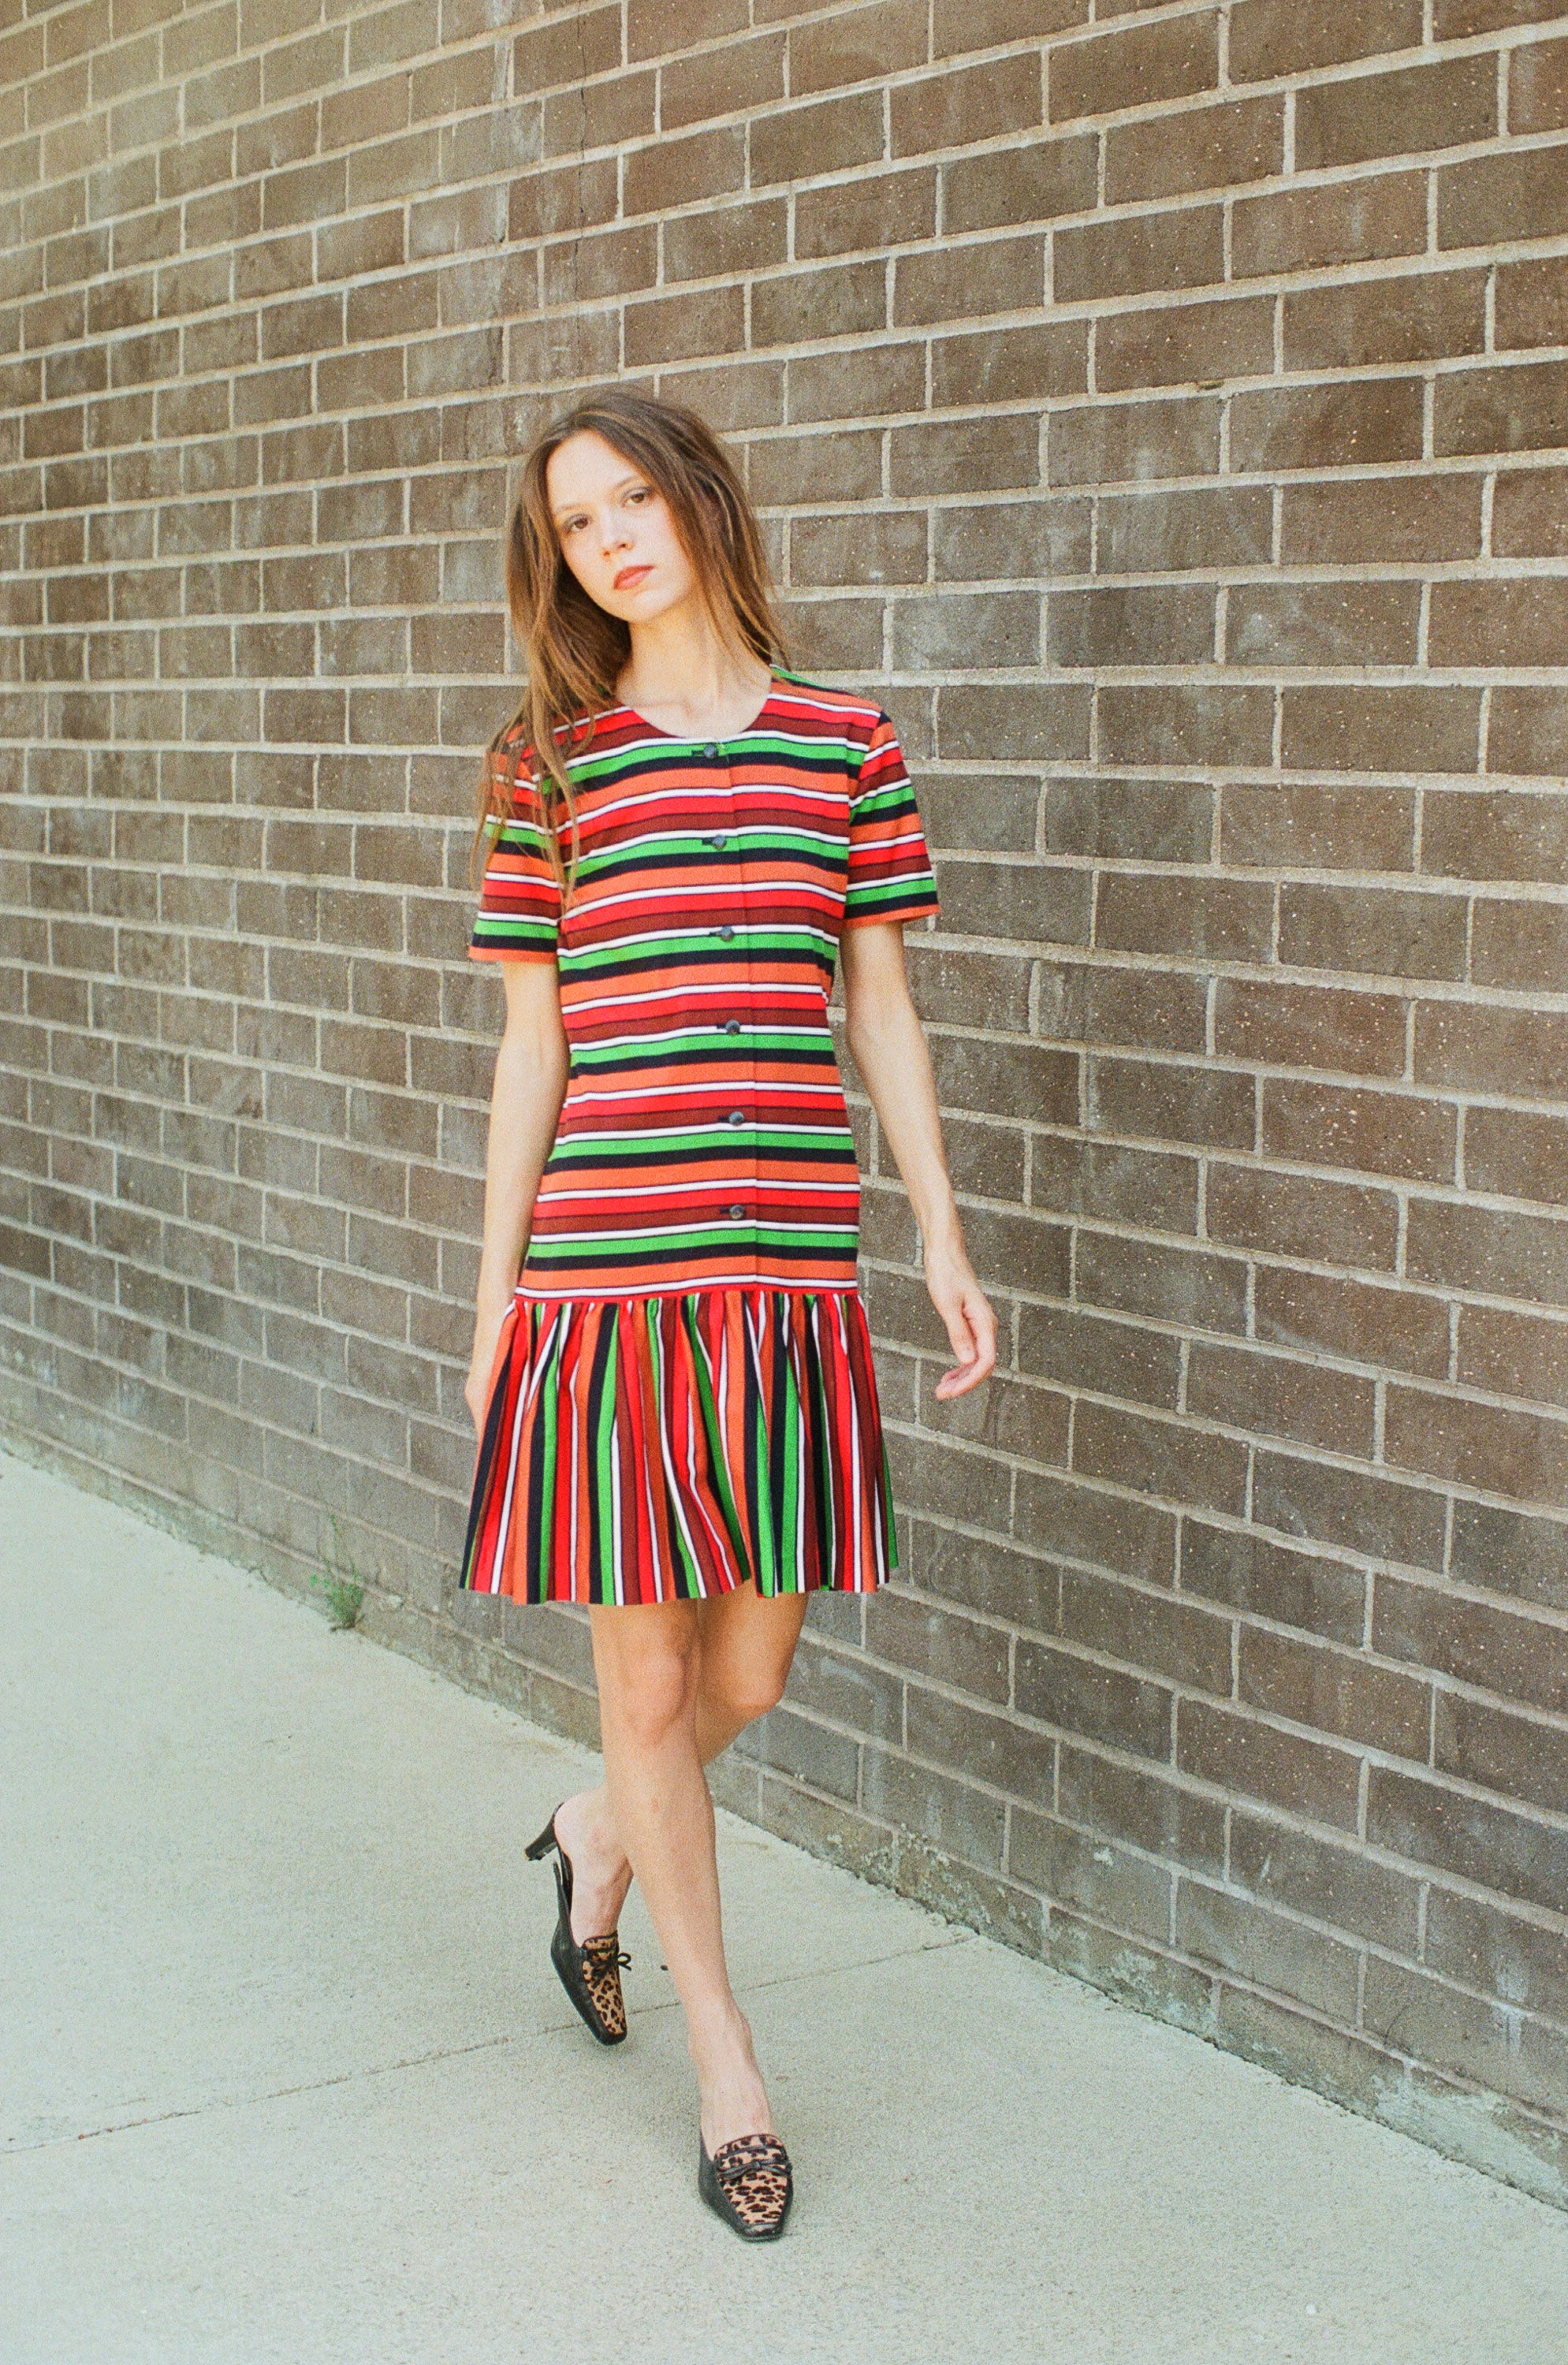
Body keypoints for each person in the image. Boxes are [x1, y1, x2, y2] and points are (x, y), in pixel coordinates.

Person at [460, 387, 996, 2241]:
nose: (609, 534)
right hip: (604, 1294)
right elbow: (530, 1053)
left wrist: (935, 1228)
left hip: (784, 1293)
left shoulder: (844, 742)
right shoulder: (550, 763)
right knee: (648, 1678)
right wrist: (488, 1307)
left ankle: (602, 1830)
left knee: (747, 1679)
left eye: (632, 497)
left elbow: (882, 1013)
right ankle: (725, 2060)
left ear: (696, 502)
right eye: (574, 519)